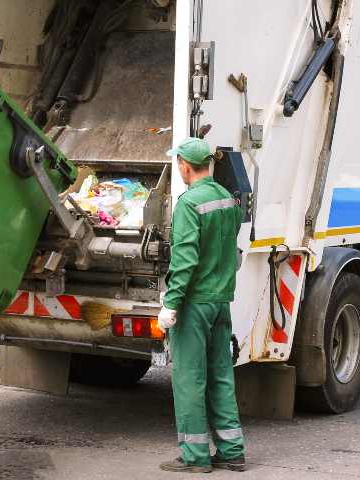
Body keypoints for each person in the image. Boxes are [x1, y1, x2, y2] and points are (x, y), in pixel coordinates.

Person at [157, 137, 246, 473]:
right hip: (221, 301)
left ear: (183, 165)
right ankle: (232, 451)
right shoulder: (226, 198)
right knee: (221, 374)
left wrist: (172, 303)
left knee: (190, 378)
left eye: (177, 162)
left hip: (194, 304)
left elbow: (185, 259)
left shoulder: (189, 204)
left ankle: (195, 456)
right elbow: (229, 243)